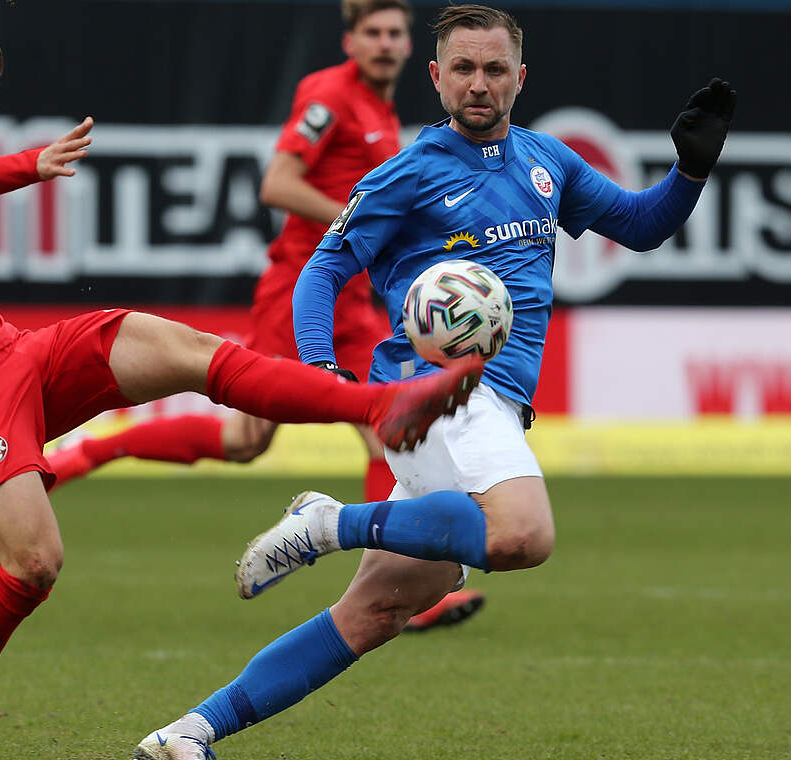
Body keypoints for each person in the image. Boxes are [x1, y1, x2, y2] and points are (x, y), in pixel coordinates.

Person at [0, 19, 484, 760]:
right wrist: (29, 165)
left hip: (9, 353)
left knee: (185, 347)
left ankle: (379, 404)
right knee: (35, 563)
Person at [133, 5, 735, 758]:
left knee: (370, 616)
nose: (477, 85)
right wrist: (325, 374)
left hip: (490, 409)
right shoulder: (407, 173)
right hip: (441, 395)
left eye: (492, 70)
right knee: (523, 534)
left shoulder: (550, 163)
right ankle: (328, 523)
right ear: (436, 77)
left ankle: (185, 735)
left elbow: (642, 226)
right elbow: (323, 270)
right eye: (462, 69)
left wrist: (691, 171)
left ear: (519, 78)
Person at [42, 0, 486, 632]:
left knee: (384, 434)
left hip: (354, 302)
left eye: (396, 33)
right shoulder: (329, 94)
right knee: (248, 440)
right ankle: (95, 452)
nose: (386, 44)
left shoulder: (382, 111)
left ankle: (400, 588)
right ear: (351, 40)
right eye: (374, 33)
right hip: (302, 290)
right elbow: (277, 183)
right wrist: (356, 221)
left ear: (412, 47)